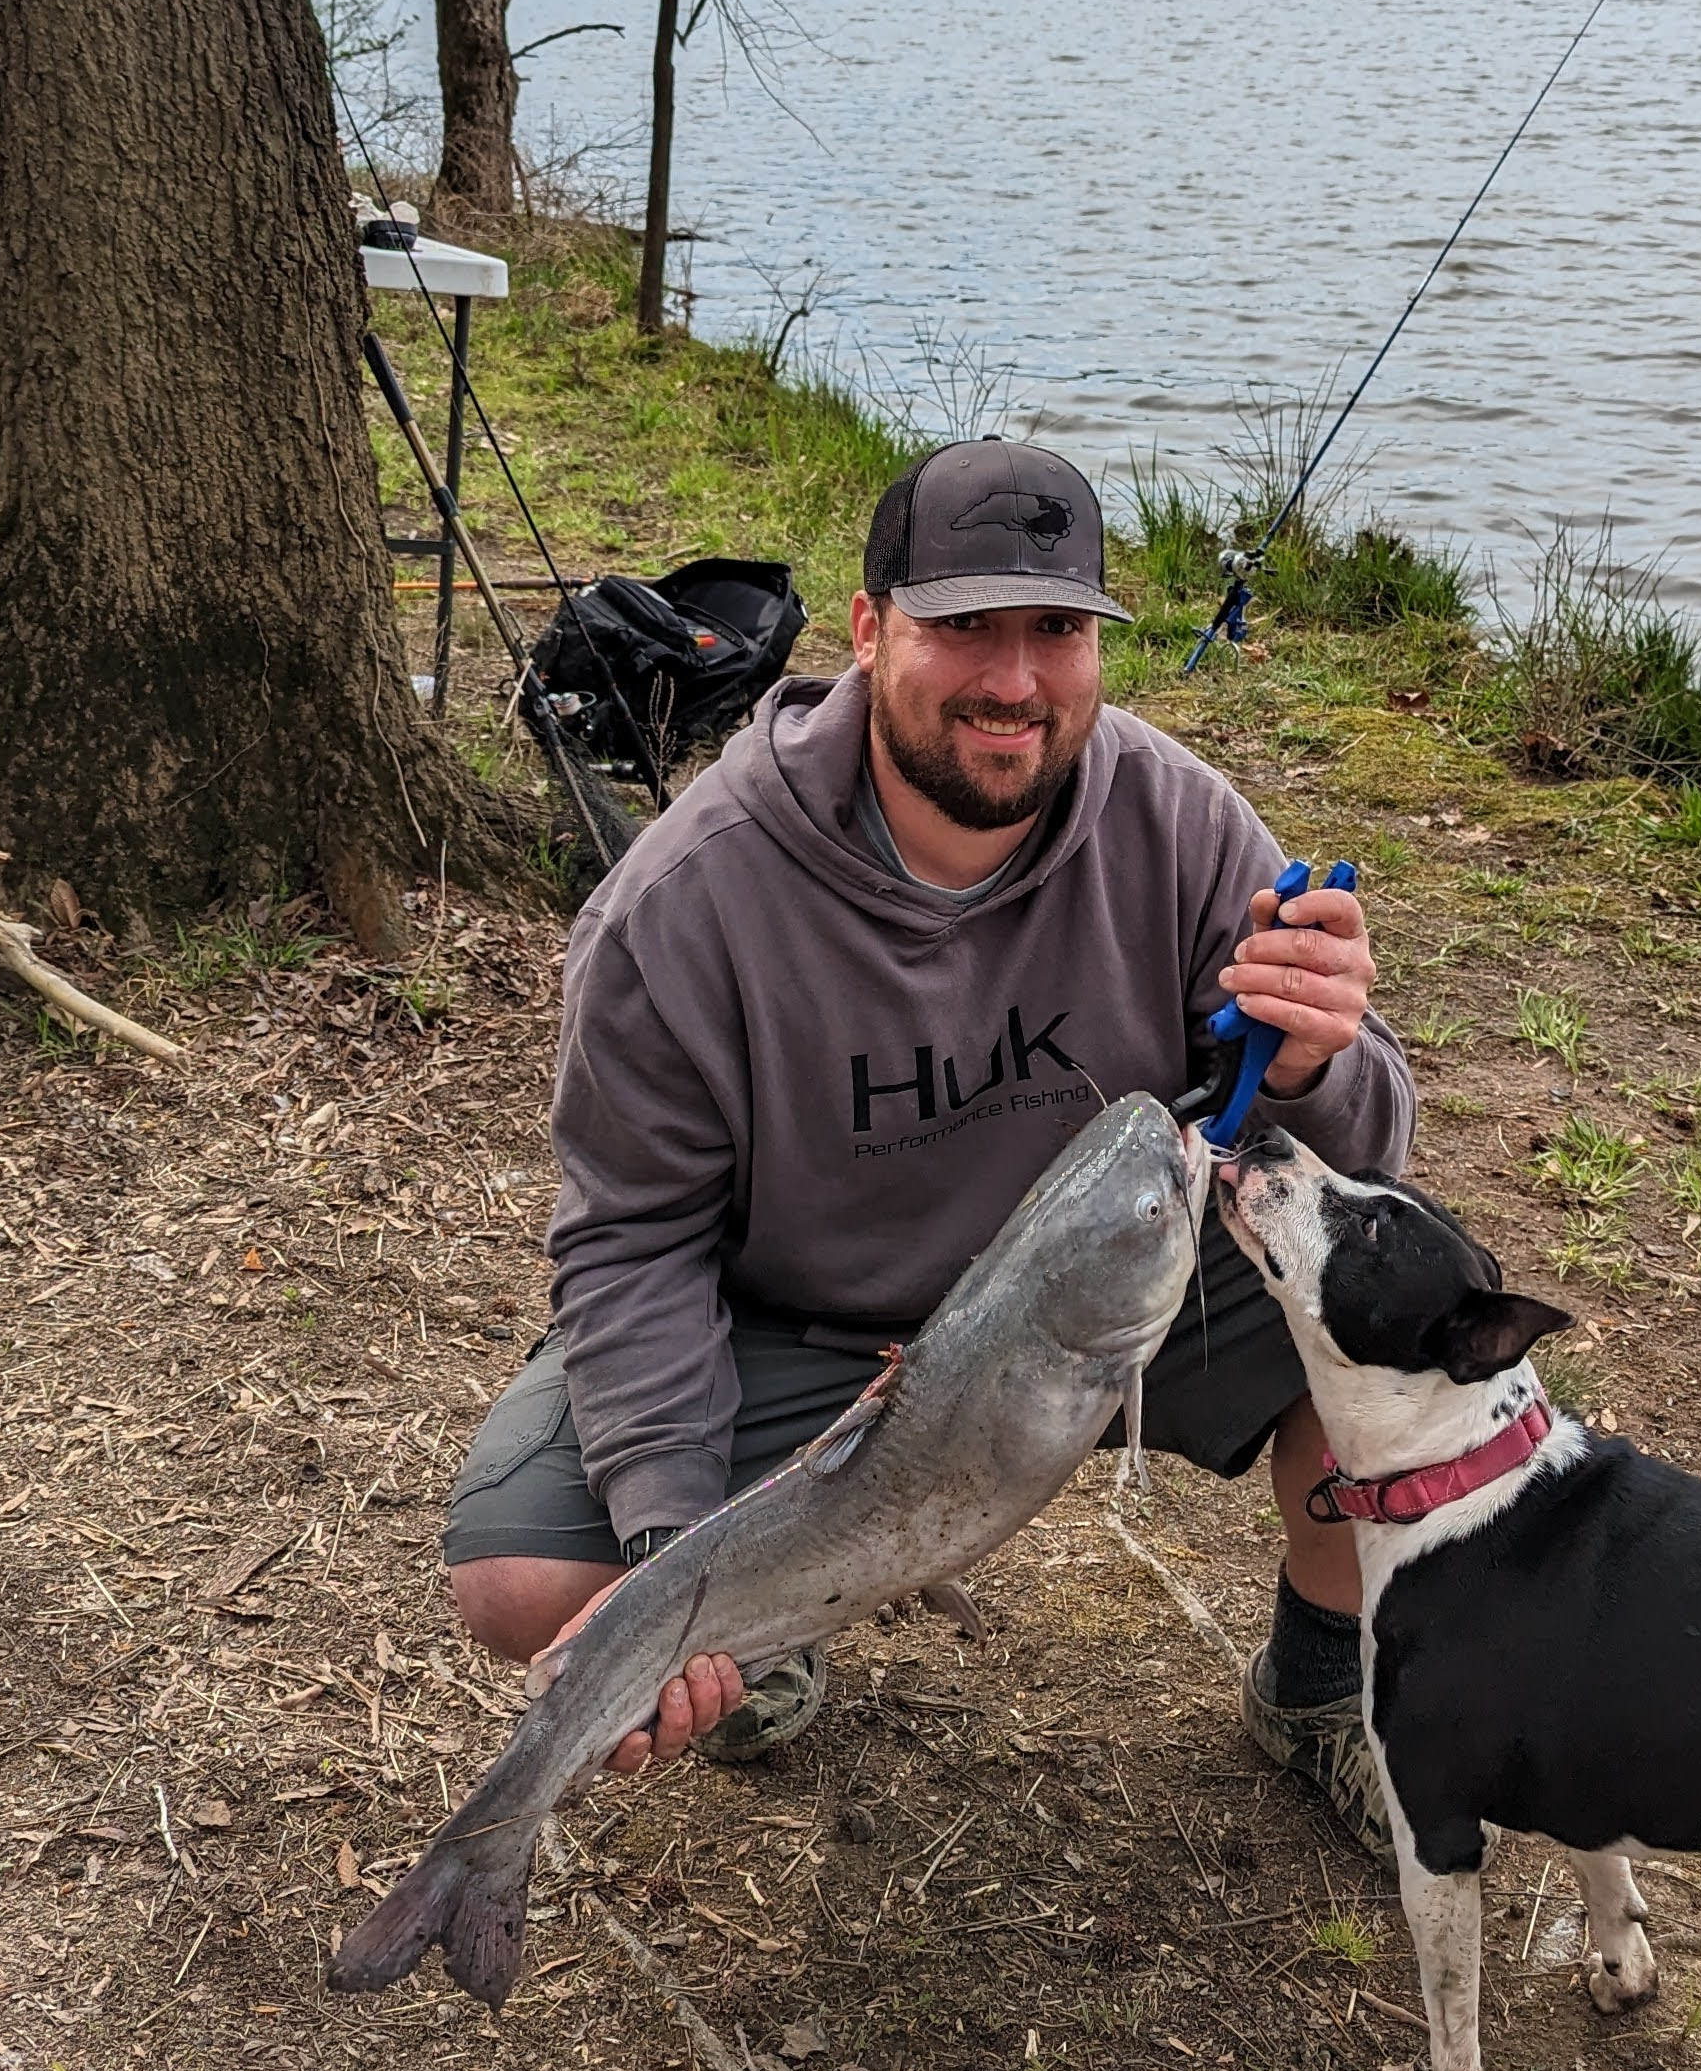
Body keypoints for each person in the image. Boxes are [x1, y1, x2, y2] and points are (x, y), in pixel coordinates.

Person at [443, 438, 1417, 1842]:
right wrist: (681, 1561)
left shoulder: (1181, 823)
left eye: (1058, 631)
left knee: (1405, 1332)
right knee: (526, 1580)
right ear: (865, 631)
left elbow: (1376, 1156)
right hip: (812, 1322)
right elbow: (631, 1242)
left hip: (1117, 1285)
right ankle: (776, 1617)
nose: (1014, 681)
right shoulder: (684, 907)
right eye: (964, 626)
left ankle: (1320, 1687)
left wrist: (1323, 1061)